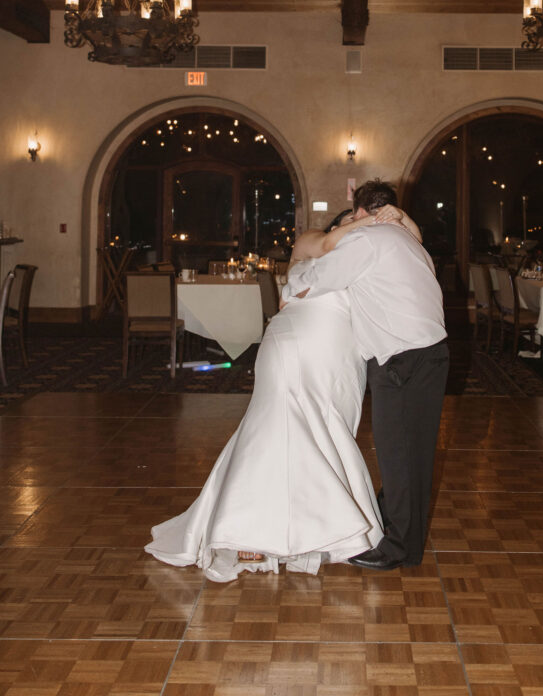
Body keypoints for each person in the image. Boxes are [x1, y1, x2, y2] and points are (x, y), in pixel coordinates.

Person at [144, 205, 416, 583]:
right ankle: (246, 531)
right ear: (337, 224)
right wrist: (371, 220)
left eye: (366, 217)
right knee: (275, 428)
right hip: (295, 345)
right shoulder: (313, 240)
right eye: (351, 218)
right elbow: (327, 244)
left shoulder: (365, 255)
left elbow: (414, 246)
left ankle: (311, 530)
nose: (361, 222)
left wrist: (397, 216)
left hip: (337, 357)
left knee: (319, 432)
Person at [282, 179, 449, 570]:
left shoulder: (368, 241)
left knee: (399, 454)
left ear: (360, 214)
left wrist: (293, 280)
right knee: (410, 454)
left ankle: (400, 549)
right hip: (430, 354)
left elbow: (311, 283)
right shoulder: (408, 241)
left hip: (403, 358)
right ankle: (392, 523)